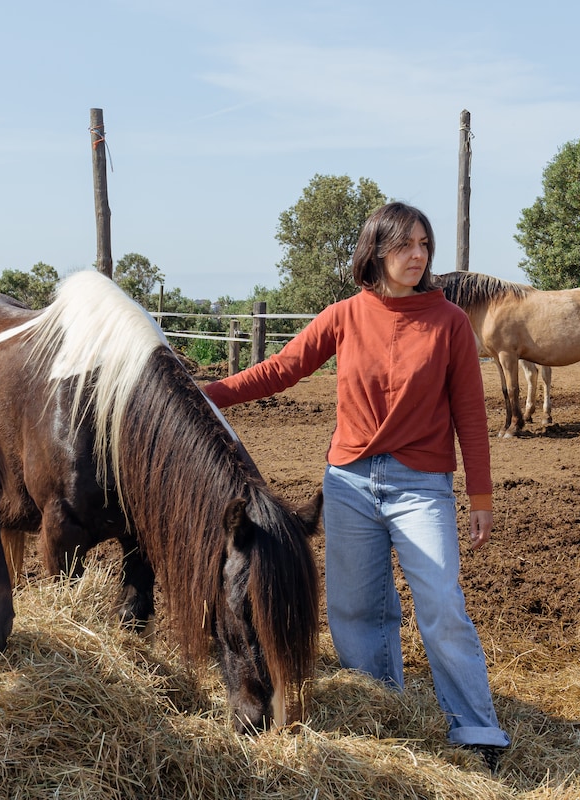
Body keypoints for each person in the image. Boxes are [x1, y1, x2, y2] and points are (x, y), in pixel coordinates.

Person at [203, 202, 510, 768]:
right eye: (405, 246)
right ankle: (384, 713)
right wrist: (208, 394)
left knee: (442, 604)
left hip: (422, 486)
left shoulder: (450, 324)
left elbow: (470, 413)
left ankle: (477, 730)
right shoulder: (344, 315)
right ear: (376, 251)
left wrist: (481, 496)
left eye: (424, 245)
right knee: (354, 610)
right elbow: (281, 369)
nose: (417, 255)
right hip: (347, 485)